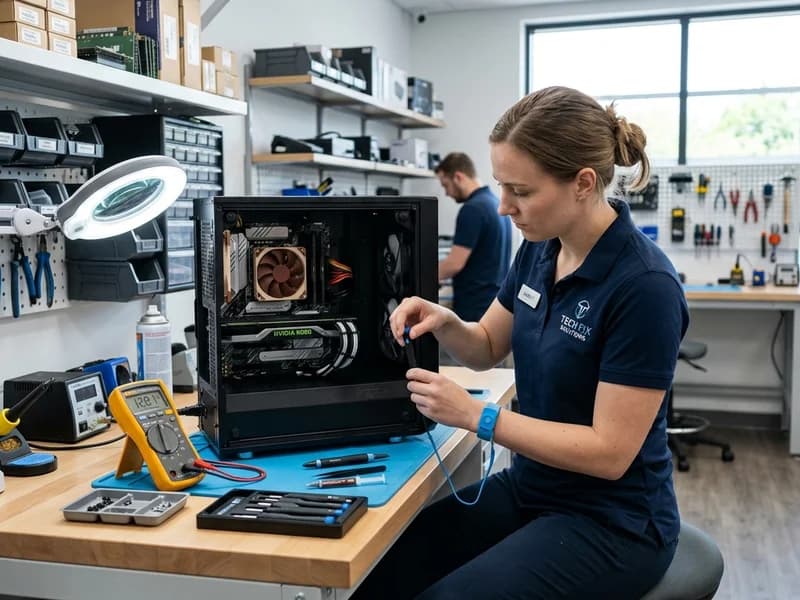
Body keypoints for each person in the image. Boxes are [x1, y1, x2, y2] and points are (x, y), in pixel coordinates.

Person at [352, 86, 689, 599]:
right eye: (501, 186)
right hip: (533, 488)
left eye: (522, 192)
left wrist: (477, 416)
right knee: (384, 568)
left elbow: (610, 453)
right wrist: (444, 321)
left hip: (615, 521)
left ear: (583, 183)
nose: (505, 206)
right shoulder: (539, 251)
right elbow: (486, 344)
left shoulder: (644, 287)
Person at [435, 153, 512, 323]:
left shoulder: (472, 209)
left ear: (458, 177)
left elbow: (454, 264)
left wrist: (419, 277)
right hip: (493, 302)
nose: (446, 193)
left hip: (474, 305)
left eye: (445, 185)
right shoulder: (495, 203)